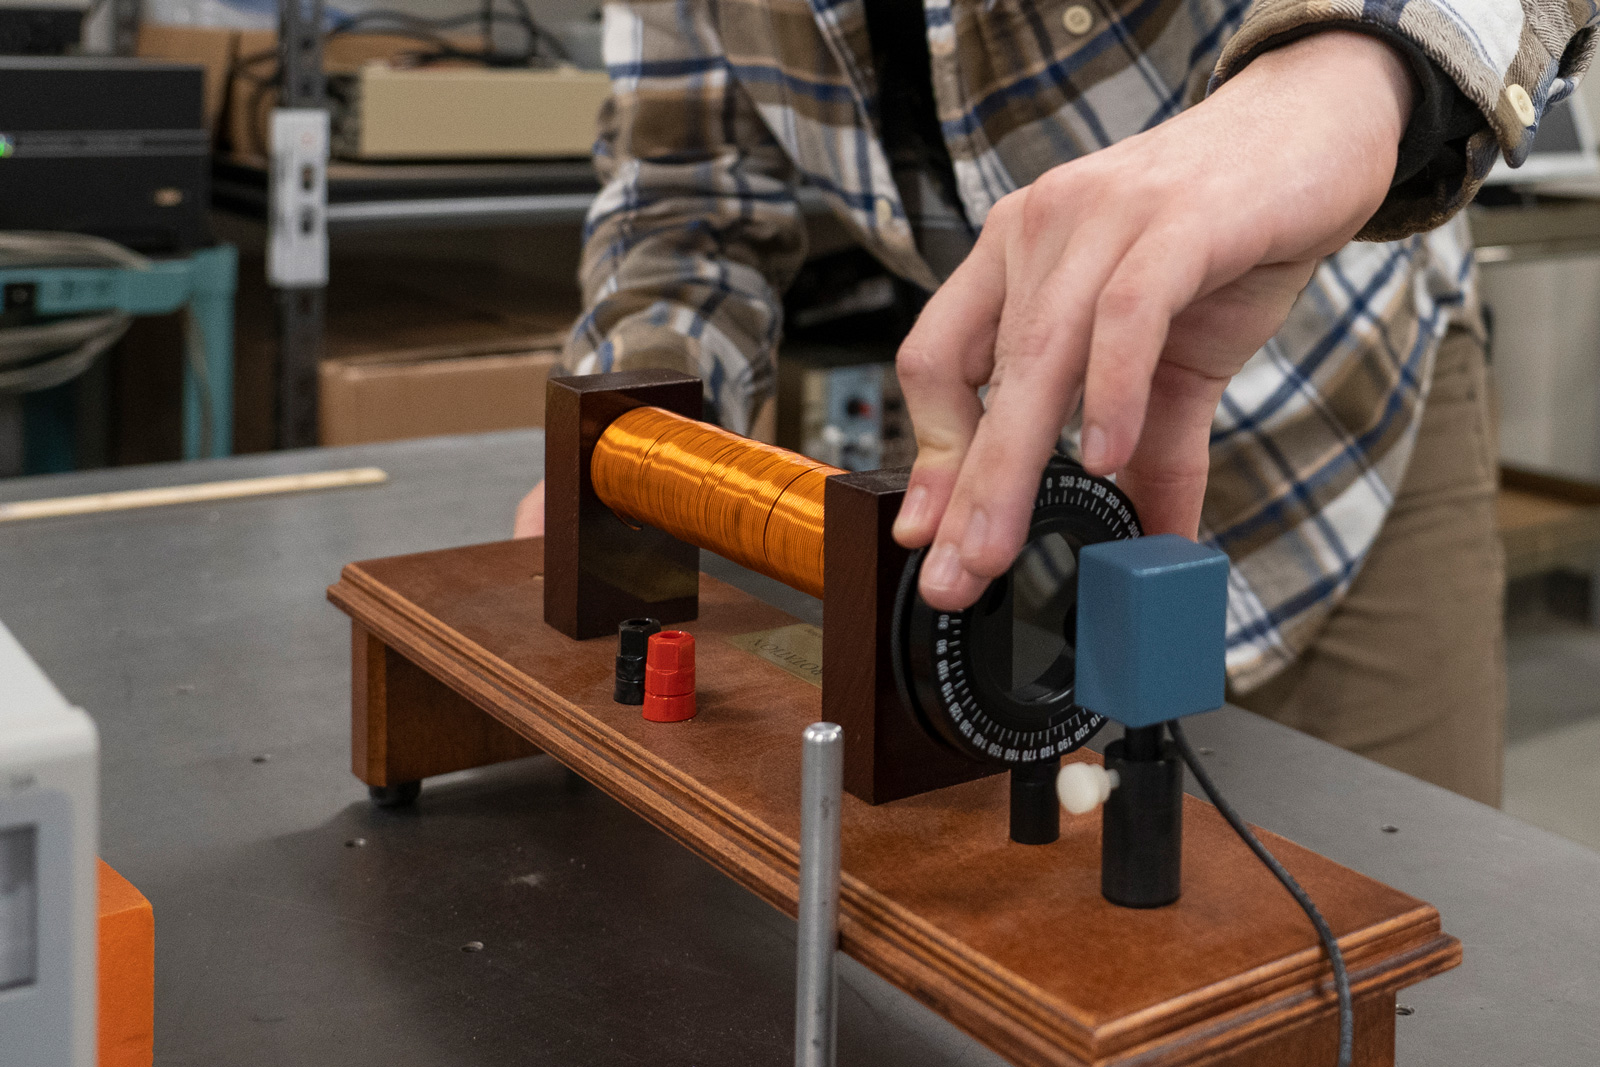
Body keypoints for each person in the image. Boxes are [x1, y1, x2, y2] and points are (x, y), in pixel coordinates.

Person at [516, 0, 1599, 806]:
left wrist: (1346, 72)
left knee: (1388, 958)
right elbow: (686, 205)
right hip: (1001, 481)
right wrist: (633, 439)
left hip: (1332, 440)